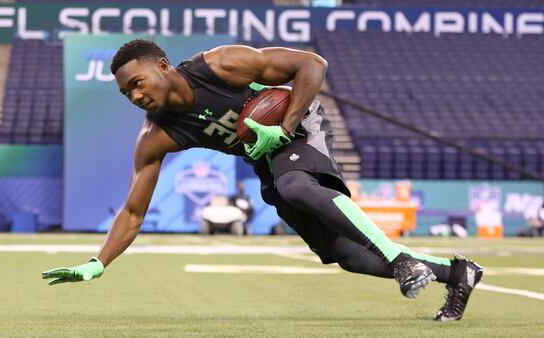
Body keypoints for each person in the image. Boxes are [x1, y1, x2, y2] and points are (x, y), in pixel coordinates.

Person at [42, 40, 483, 321]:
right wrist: (99, 262)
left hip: (300, 125)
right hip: (267, 159)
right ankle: (458, 273)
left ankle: (401, 258)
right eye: (126, 93)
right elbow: (134, 211)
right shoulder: (156, 136)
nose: (136, 96)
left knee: (295, 185)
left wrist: (286, 124)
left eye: (137, 82)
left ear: (161, 65)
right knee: (345, 255)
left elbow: (312, 64)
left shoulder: (220, 64)